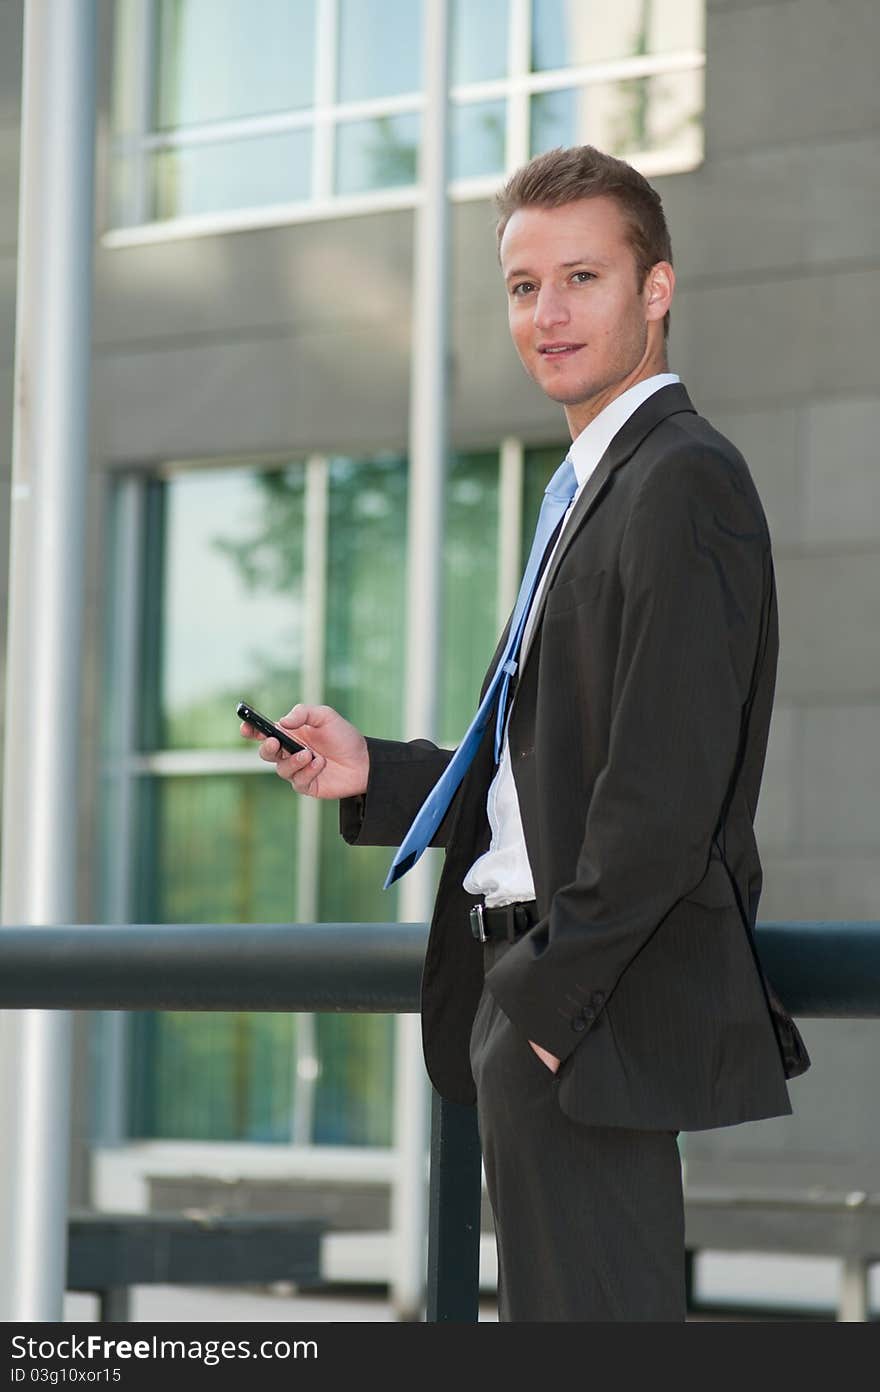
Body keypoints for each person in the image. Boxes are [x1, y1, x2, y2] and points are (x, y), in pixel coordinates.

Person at [241, 145, 810, 1322]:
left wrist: (543, 1018)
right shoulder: (593, 484)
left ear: (656, 289)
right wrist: (379, 776)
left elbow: (664, 793)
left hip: (582, 1016)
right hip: (540, 999)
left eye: (581, 279)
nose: (545, 315)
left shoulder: (681, 481)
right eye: (521, 287)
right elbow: (546, 765)